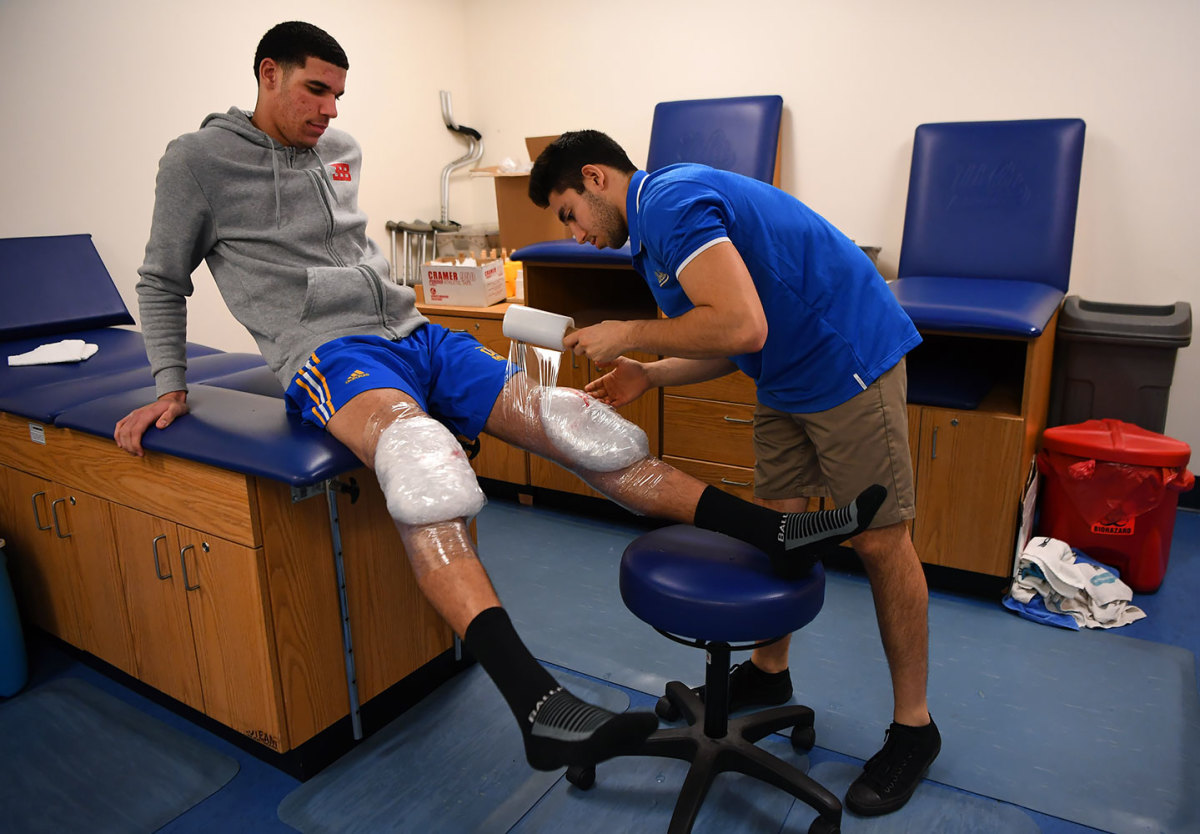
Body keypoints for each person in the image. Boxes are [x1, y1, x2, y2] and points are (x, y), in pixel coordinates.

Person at [113, 23, 885, 777]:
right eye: (316, 90)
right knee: (424, 466)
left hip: (414, 333)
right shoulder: (198, 161)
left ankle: (777, 532)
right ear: (268, 74)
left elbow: (349, 256)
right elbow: (160, 279)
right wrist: (169, 386)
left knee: (583, 427)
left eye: (339, 95)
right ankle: (538, 705)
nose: (331, 110)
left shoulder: (338, 149)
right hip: (328, 352)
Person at [527, 130, 940, 815]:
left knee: (880, 540)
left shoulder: (669, 202)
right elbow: (727, 338)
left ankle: (915, 729)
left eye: (568, 214)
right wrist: (649, 374)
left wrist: (628, 331)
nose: (575, 235)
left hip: (848, 360)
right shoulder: (649, 239)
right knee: (776, 525)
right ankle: (770, 673)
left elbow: (741, 325)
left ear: (595, 178)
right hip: (783, 374)